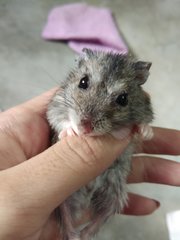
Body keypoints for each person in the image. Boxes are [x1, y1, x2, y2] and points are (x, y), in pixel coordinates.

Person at [0, 89, 179, 240]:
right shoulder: (62, 98)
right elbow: (54, 112)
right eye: (84, 84)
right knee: (64, 206)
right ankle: (71, 233)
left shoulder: (137, 99)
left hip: (116, 167)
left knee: (113, 201)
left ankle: (86, 233)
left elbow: (144, 112)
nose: (88, 119)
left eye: (120, 98)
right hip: (62, 179)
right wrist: (66, 124)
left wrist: (141, 125)